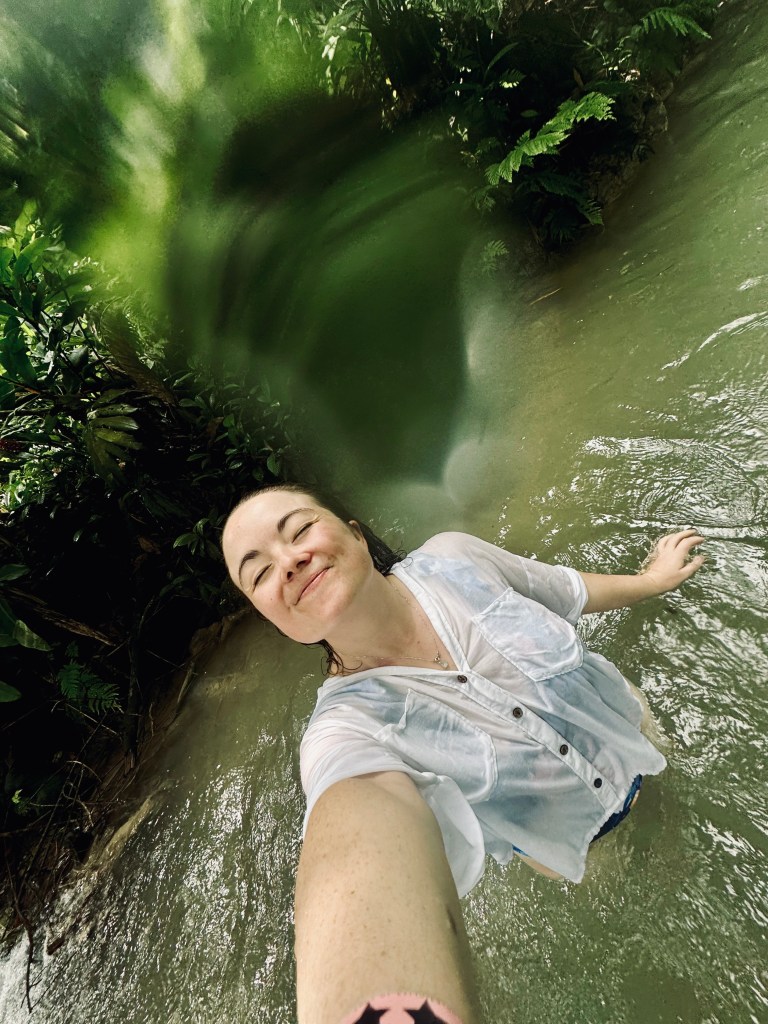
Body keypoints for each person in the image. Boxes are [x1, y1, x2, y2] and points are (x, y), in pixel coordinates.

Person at [221, 483, 706, 1024]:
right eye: (258, 572)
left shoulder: (455, 558)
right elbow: (356, 837)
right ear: (275, 621)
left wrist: (651, 581)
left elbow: (567, 591)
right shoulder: (346, 732)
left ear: (355, 535)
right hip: (588, 851)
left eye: (300, 529)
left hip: (639, 735)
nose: (288, 562)